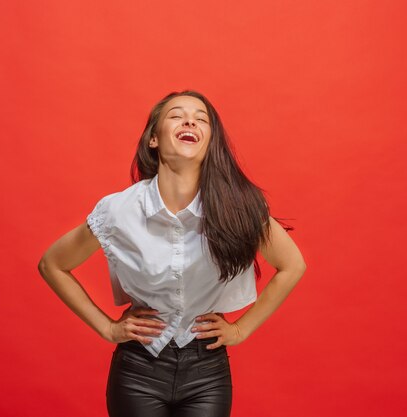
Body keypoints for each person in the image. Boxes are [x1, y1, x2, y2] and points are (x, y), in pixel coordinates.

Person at [37, 90, 307, 417]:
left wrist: (240, 330)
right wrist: (108, 328)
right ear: (154, 138)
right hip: (138, 370)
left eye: (201, 118)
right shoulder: (118, 210)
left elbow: (292, 265)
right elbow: (52, 264)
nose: (190, 119)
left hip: (207, 371)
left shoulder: (240, 208)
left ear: (210, 142)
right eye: (176, 115)